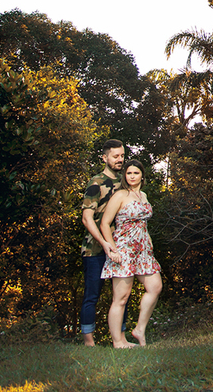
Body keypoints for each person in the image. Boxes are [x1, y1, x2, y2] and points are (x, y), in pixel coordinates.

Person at [99, 159, 163, 347]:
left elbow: (143, 223)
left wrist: (149, 242)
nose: (132, 176)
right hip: (124, 249)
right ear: (125, 176)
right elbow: (104, 223)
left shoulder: (143, 195)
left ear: (142, 175)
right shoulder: (120, 195)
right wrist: (112, 249)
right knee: (121, 298)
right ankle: (118, 342)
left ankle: (139, 329)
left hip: (143, 250)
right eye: (129, 173)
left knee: (155, 287)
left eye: (136, 173)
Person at [79, 139, 127, 346]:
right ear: (105, 158)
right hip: (95, 249)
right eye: (115, 156)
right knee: (92, 295)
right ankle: (89, 342)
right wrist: (104, 244)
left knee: (121, 295)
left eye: (122, 156)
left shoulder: (125, 182)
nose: (119, 160)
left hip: (120, 248)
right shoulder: (96, 182)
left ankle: (121, 338)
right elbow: (86, 218)